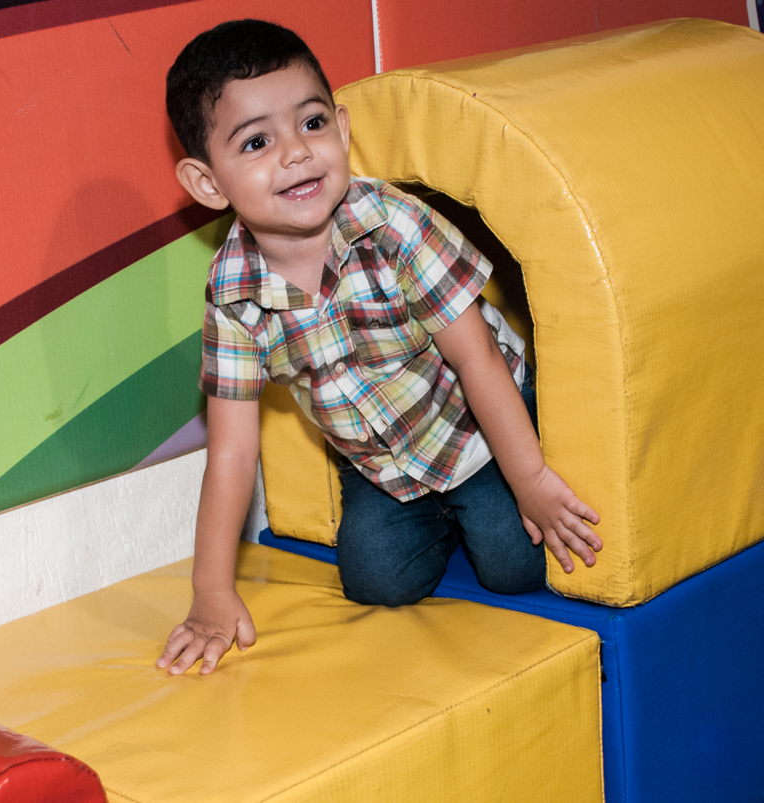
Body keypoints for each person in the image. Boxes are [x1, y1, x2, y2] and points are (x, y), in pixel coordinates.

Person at [157, 19, 601, 676]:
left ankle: (487, 503)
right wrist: (210, 593)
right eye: (257, 141)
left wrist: (530, 479)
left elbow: (474, 357)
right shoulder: (233, 290)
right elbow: (231, 449)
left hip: (477, 425)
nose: (298, 153)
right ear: (208, 183)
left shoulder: (393, 227)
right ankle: (441, 518)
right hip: (380, 460)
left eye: (311, 124)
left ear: (341, 127)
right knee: (373, 580)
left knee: (517, 564)